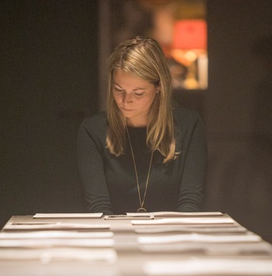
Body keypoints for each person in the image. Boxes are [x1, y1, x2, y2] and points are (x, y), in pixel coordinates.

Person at [77, 36, 207, 214]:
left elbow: (190, 202)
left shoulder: (188, 125)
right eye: (118, 89)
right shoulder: (93, 130)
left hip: (173, 229)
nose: (125, 100)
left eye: (138, 93)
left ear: (159, 86)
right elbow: (99, 207)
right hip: (113, 230)